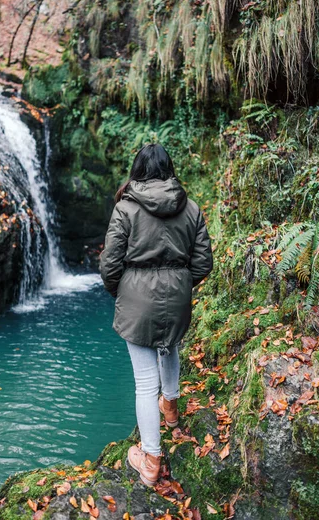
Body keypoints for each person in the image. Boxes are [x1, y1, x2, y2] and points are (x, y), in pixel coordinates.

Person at [100, 143, 213, 487]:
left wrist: (121, 290)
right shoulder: (190, 208)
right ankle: (172, 410)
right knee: (170, 345)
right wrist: (179, 284)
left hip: (137, 299)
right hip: (177, 297)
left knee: (144, 384)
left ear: (137, 170)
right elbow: (203, 262)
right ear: (169, 169)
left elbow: (110, 263)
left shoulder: (126, 208)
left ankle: (150, 460)